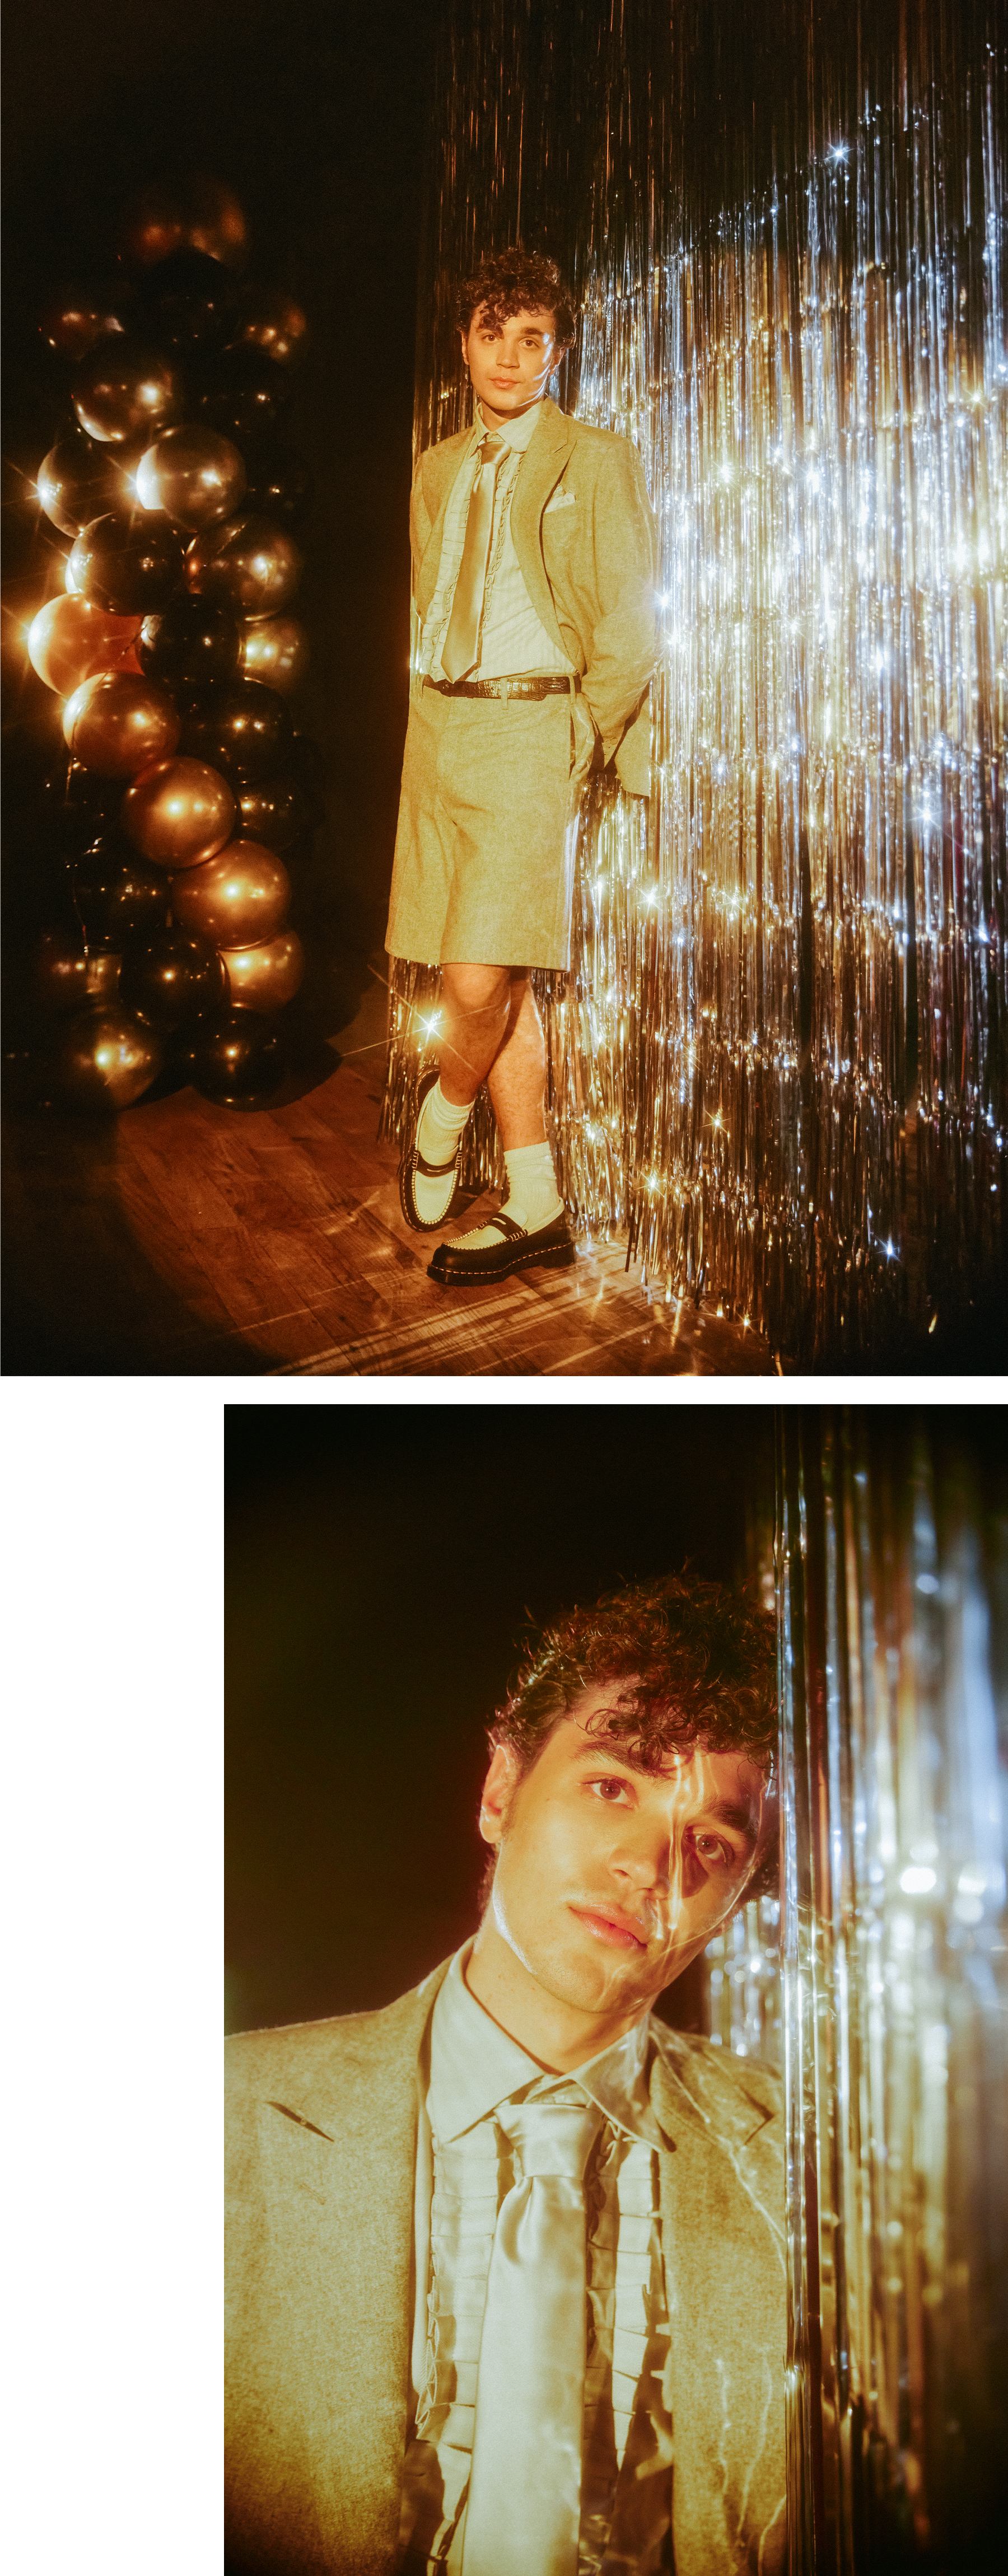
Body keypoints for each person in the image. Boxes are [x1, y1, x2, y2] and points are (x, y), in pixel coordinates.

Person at [226, 1575, 787, 2576]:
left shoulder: (805, 2174)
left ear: (737, 1898)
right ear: (500, 1793)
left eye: (710, 1840)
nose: (649, 1865)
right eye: (613, 1785)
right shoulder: (215, 2120)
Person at [386, 247, 657, 1288]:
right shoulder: (437, 466)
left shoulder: (596, 459)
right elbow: (426, 605)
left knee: (473, 973)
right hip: (440, 731)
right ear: (464, 343)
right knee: (502, 978)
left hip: (533, 727)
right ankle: (538, 1199)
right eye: (492, 334)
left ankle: (444, 1112)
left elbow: (630, 624)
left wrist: (582, 733)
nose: (510, 356)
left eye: (532, 338)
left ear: (559, 348)